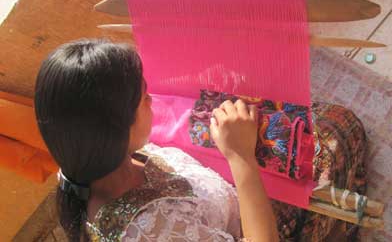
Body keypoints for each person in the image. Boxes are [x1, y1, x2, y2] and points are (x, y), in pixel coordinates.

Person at [34, 39, 279, 241]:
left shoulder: (83, 164)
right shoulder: (153, 231)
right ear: (117, 130)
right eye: (144, 98)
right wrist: (240, 156)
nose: (152, 100)